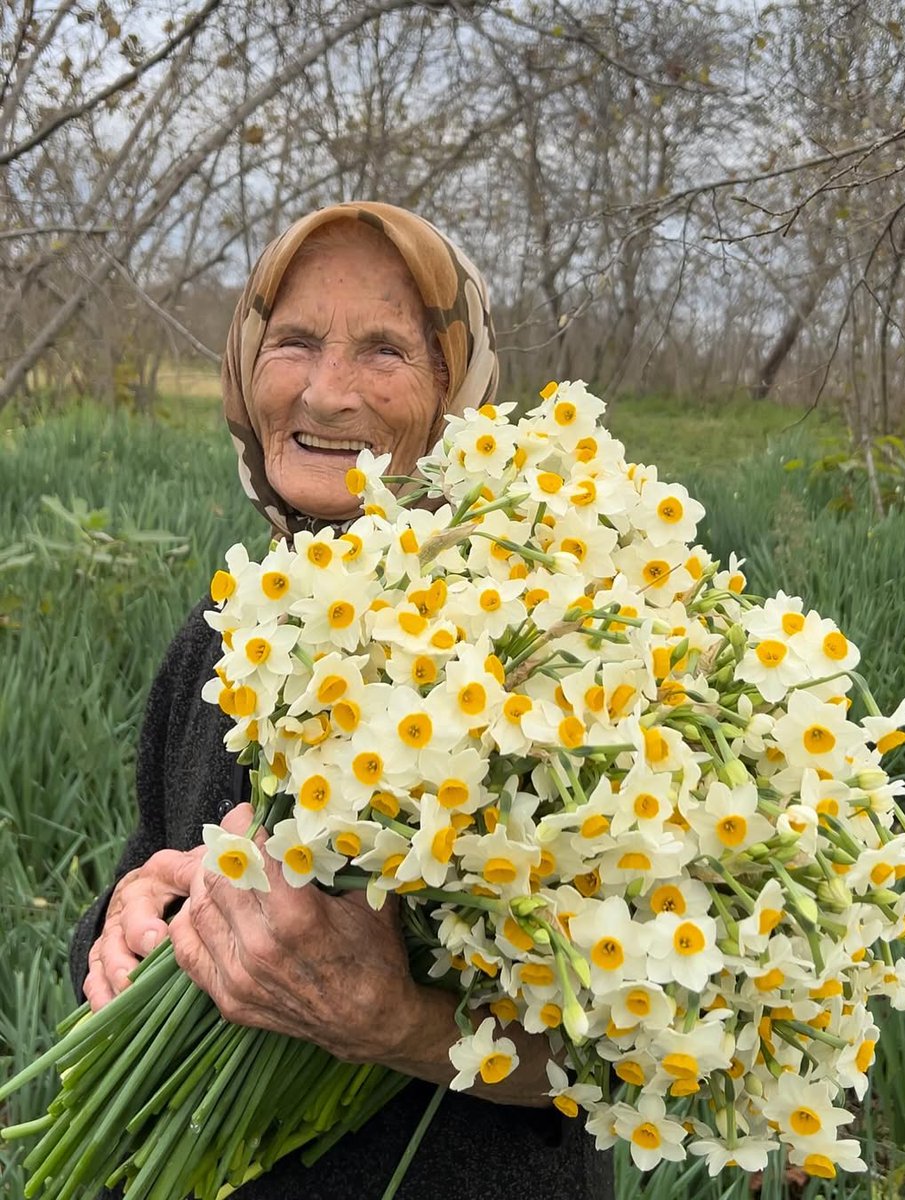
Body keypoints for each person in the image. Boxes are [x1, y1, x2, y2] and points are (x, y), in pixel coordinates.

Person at [70, 201, 615, 1199]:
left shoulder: (547, 652)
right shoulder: (220, 631)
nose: (327, 393)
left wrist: (401, 1027)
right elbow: (145, 860)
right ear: (244, 364)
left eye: (385, 351)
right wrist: (128, 922)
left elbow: (631, 1054)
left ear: (458, 387)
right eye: (296, 341)